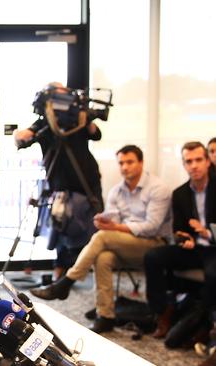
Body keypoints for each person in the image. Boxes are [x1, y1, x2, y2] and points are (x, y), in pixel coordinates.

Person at [30, 145, 172, 333]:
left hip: (153, 244)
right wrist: (103, 220)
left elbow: (151, 227)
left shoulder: (158, 188)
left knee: (103, 237)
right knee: (103, 257)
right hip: (124, 243)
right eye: (121, 163)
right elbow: (113, 217)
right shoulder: (117, 191)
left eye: (130, 162)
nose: (125, 167)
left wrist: (115, 228)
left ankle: (67, 282)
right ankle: (105, 316)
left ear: (141, 163)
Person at [14, 82, 103, 279]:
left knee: (95, 225)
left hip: (87, 181)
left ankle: (91, 268)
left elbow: (96, 134)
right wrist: (24, 132)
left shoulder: (78, 119)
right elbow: (21, 139)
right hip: (59, 183)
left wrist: (85, 115)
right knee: (60, 225)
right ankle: (60, 270)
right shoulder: (45, 122)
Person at [143, 141, 215, 340]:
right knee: (153, 257)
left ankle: (203, 323)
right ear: (184, 165)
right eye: (188, 161)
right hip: (193, 249)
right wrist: (184, 238)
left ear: (208, 162)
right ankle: (162, 313)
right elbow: (178, 230)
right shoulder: (180, 193)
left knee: (213, 273)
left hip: (213, 248)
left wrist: (207, 232)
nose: (194, 165)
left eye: (198, 160)